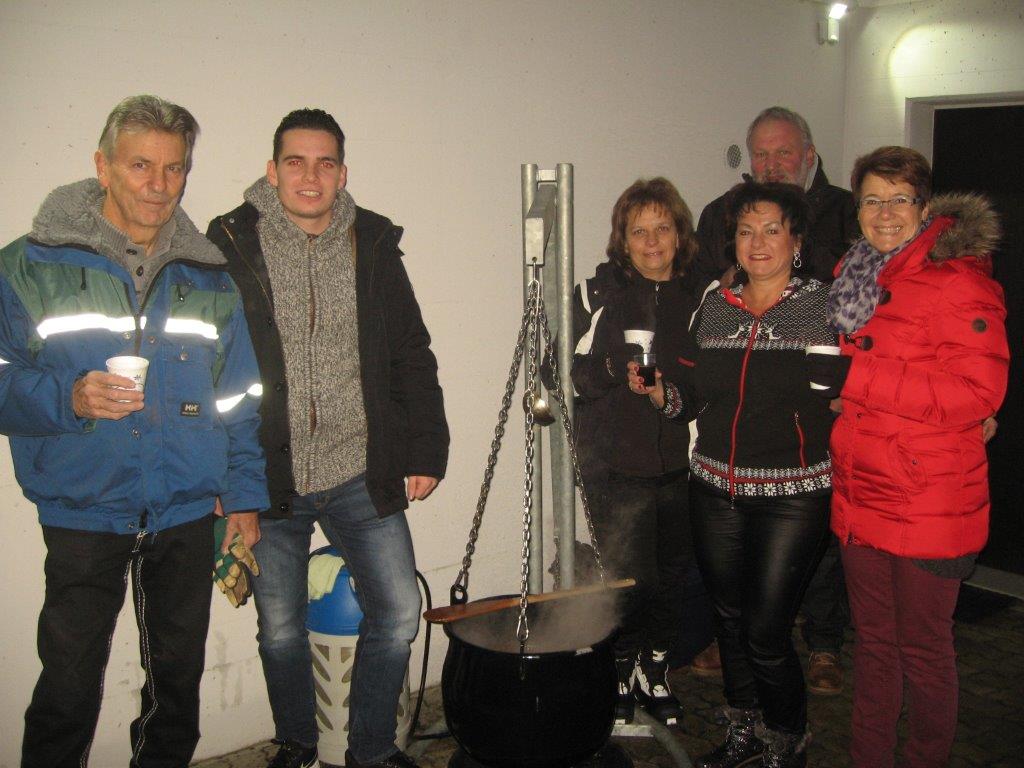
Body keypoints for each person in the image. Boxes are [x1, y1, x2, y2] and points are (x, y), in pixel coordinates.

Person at [0, 95, 268, 768]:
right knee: (68, 686)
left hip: (185, 511)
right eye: (140, 165)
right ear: (103, 165)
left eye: (174, 168)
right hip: (83, 510)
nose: (159, 185)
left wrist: (243, 497)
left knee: (176, 685)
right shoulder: (29, 266)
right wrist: (68, 397)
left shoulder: (209, 277)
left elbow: (240, 397)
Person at [207, 108, 449, 768]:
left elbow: (411, 350)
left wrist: (426, 448)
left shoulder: (372, 244)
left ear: (342, 173)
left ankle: (370, 750)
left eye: (325, 163)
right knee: (280, 629)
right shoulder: (228, 247)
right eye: (296, 161)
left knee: (398, 614)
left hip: (358, 468)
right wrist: (223, 478)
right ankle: (298, 742)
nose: (310, 176)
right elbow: (207, 368)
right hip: (267, 476)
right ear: (272, 171)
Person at [637, 182, 835, 767]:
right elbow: (695, 397)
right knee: (728, 622)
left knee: (766, 630)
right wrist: (663, 395)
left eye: (772, 229)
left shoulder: (824, 308)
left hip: (792, 493)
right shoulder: (716, 306)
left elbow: (846, 392)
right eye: (747, 231)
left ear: (796, 240)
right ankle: (744, 729)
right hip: (715, 488)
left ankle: (787, 738)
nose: (758, 242)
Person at [827, 146, 1008, 768]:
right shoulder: (855, 275)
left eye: (899, 199)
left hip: (931, 498)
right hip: (862, 491)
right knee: (874, 646)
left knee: (924, 652)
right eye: (871, 200)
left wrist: (856, 380)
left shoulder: (959, 281)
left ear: (924, 207)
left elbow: (978, 394)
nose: (885, 213)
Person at [695, 106, 860, 695]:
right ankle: (745, 661)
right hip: (729, 453)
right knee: (740, 603)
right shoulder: (720, 213)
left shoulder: (846, 211)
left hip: (807, 430)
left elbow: (872, 307)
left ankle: (822, 642)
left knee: (815, 553)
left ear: (808, 155)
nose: (771, 163)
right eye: (760, 153)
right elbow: (702, 289)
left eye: (783, 152)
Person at [569, 177, 700, 726]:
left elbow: (710, 384)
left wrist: (671, 397)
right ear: (622, 240)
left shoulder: (702, 299)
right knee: (626, 581)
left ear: (679, 234)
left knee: (673, 578)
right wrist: (610, 368)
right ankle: (621, 670)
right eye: (638, 231)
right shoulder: (597, 295)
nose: (651, 242)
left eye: (661, 228)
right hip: (614, 466)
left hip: (682, 468)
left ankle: (656, 669)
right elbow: (565, 374)